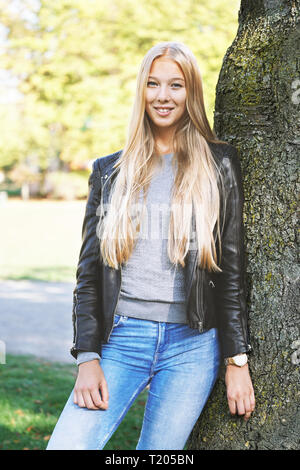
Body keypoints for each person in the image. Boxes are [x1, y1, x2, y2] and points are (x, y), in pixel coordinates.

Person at [46, 41, 255, 451]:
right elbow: (89, 274)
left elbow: (232, 273)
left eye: (176, 85)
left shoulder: (219, 164)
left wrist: (237, 361)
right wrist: (87, 356)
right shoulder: (110, 172)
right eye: (153, 84)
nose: (163, 96)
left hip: (192, 347)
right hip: (121, 341)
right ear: (142, 91)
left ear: (190, 92)